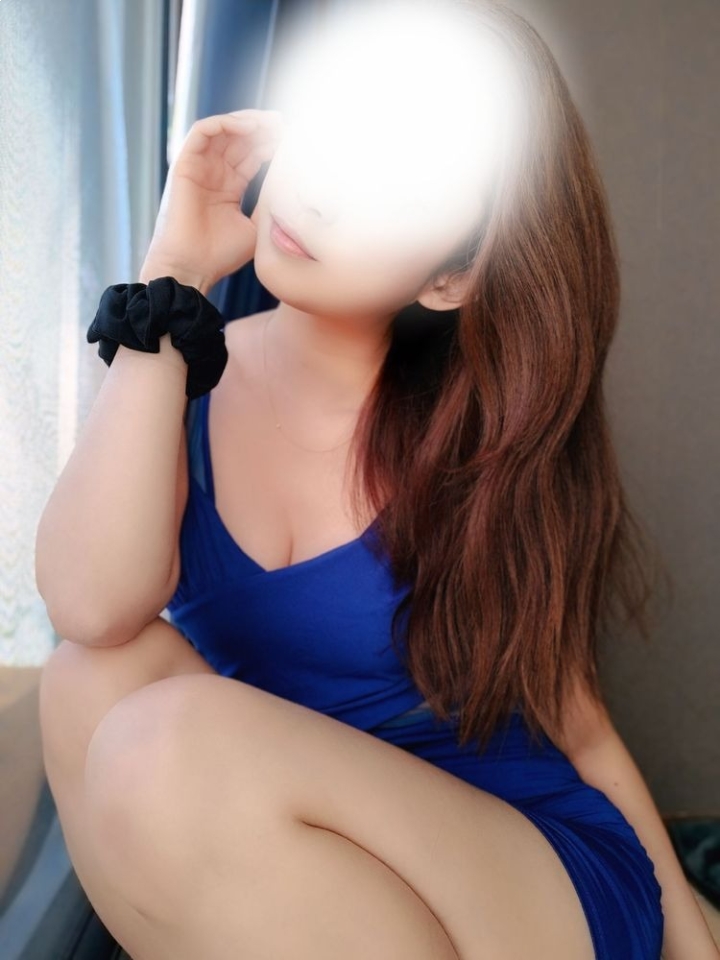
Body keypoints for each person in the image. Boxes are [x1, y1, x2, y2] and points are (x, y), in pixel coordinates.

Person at [35, 1, 719, 958]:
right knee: (89, 684)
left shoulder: (477, 441)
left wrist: (689, 937)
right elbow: (88, 606)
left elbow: (581, 723)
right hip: (311, 855)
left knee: (167, 741)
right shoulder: (177, 370)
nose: (321, 195)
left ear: (449, 279)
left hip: (513, 866)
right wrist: (172, 275)